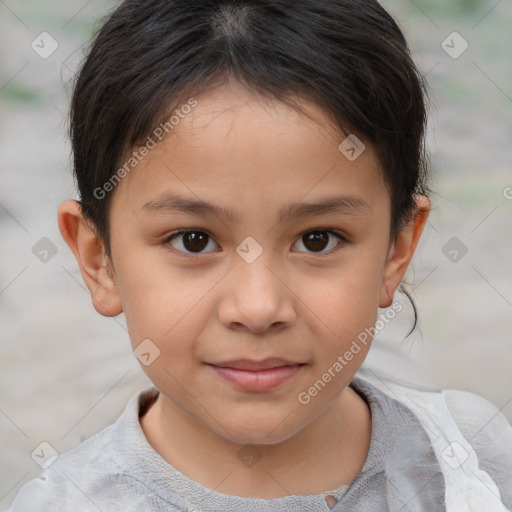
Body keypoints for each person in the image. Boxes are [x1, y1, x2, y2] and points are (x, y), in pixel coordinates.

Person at [8, 0, 512, 510]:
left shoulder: (471, 461)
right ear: (99, 260)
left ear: (396, 250)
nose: (258, 308)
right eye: (193, 240)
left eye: (318, 239)